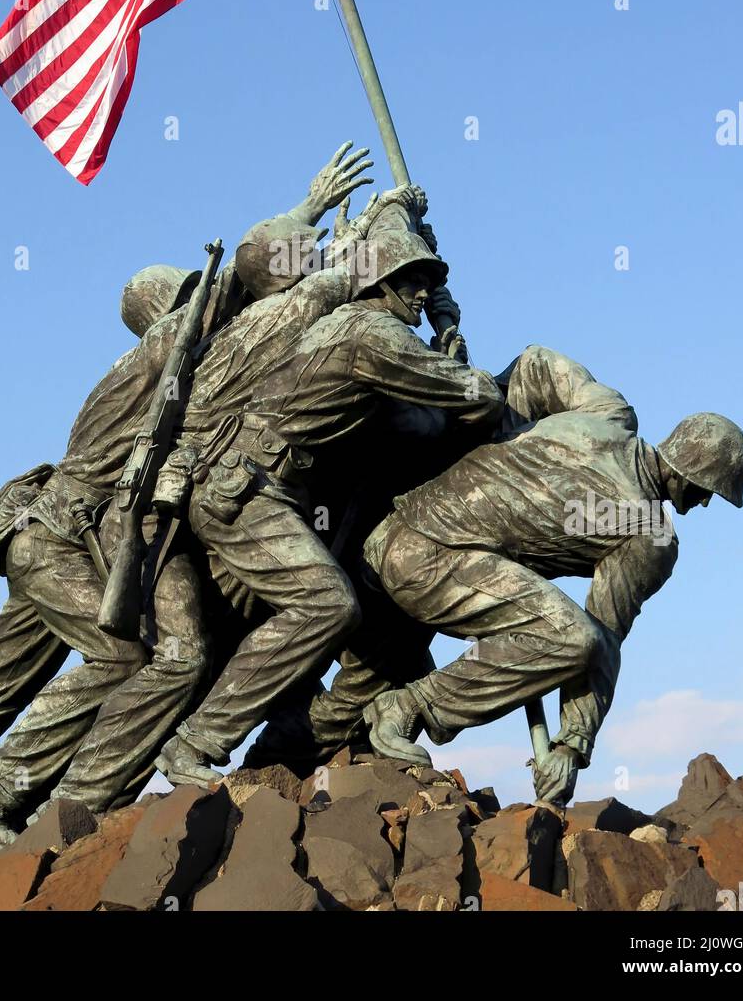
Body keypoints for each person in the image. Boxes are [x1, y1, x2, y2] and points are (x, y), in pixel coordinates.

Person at [0, 143, 374, 871]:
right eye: (196, 295)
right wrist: (318, 219)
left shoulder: (162, 363)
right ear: (174, 309)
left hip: (48, 536)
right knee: (127, 654)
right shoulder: (166, 349)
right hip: (66, 540)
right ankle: (0, 797)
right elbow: (254, 273)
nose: (210, 303)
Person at [156, 202, 505, 788]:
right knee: (326, 606)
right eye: (409, 281)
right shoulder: (375, 333)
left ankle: (333, 736)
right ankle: (196, 743)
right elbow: (480, 400)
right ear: (379, 282)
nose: (420, 294)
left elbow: (422, 422)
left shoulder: (354, 325)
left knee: (348, 614)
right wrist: (450, 340)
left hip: (267, 486)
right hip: (246, 489)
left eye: (426, 283)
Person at [356, 345, 743, 806]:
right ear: (693, 477)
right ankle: (408, 706)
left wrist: (504, 434)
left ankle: (353, 733)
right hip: (426, 565)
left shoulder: (609, 412)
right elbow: (601, 640)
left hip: (388, 532)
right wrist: (572, 745)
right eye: (709, 493)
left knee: (345, 701)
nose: (704, 504)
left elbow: (534, 364)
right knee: (571, 640)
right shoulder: (649, 535)